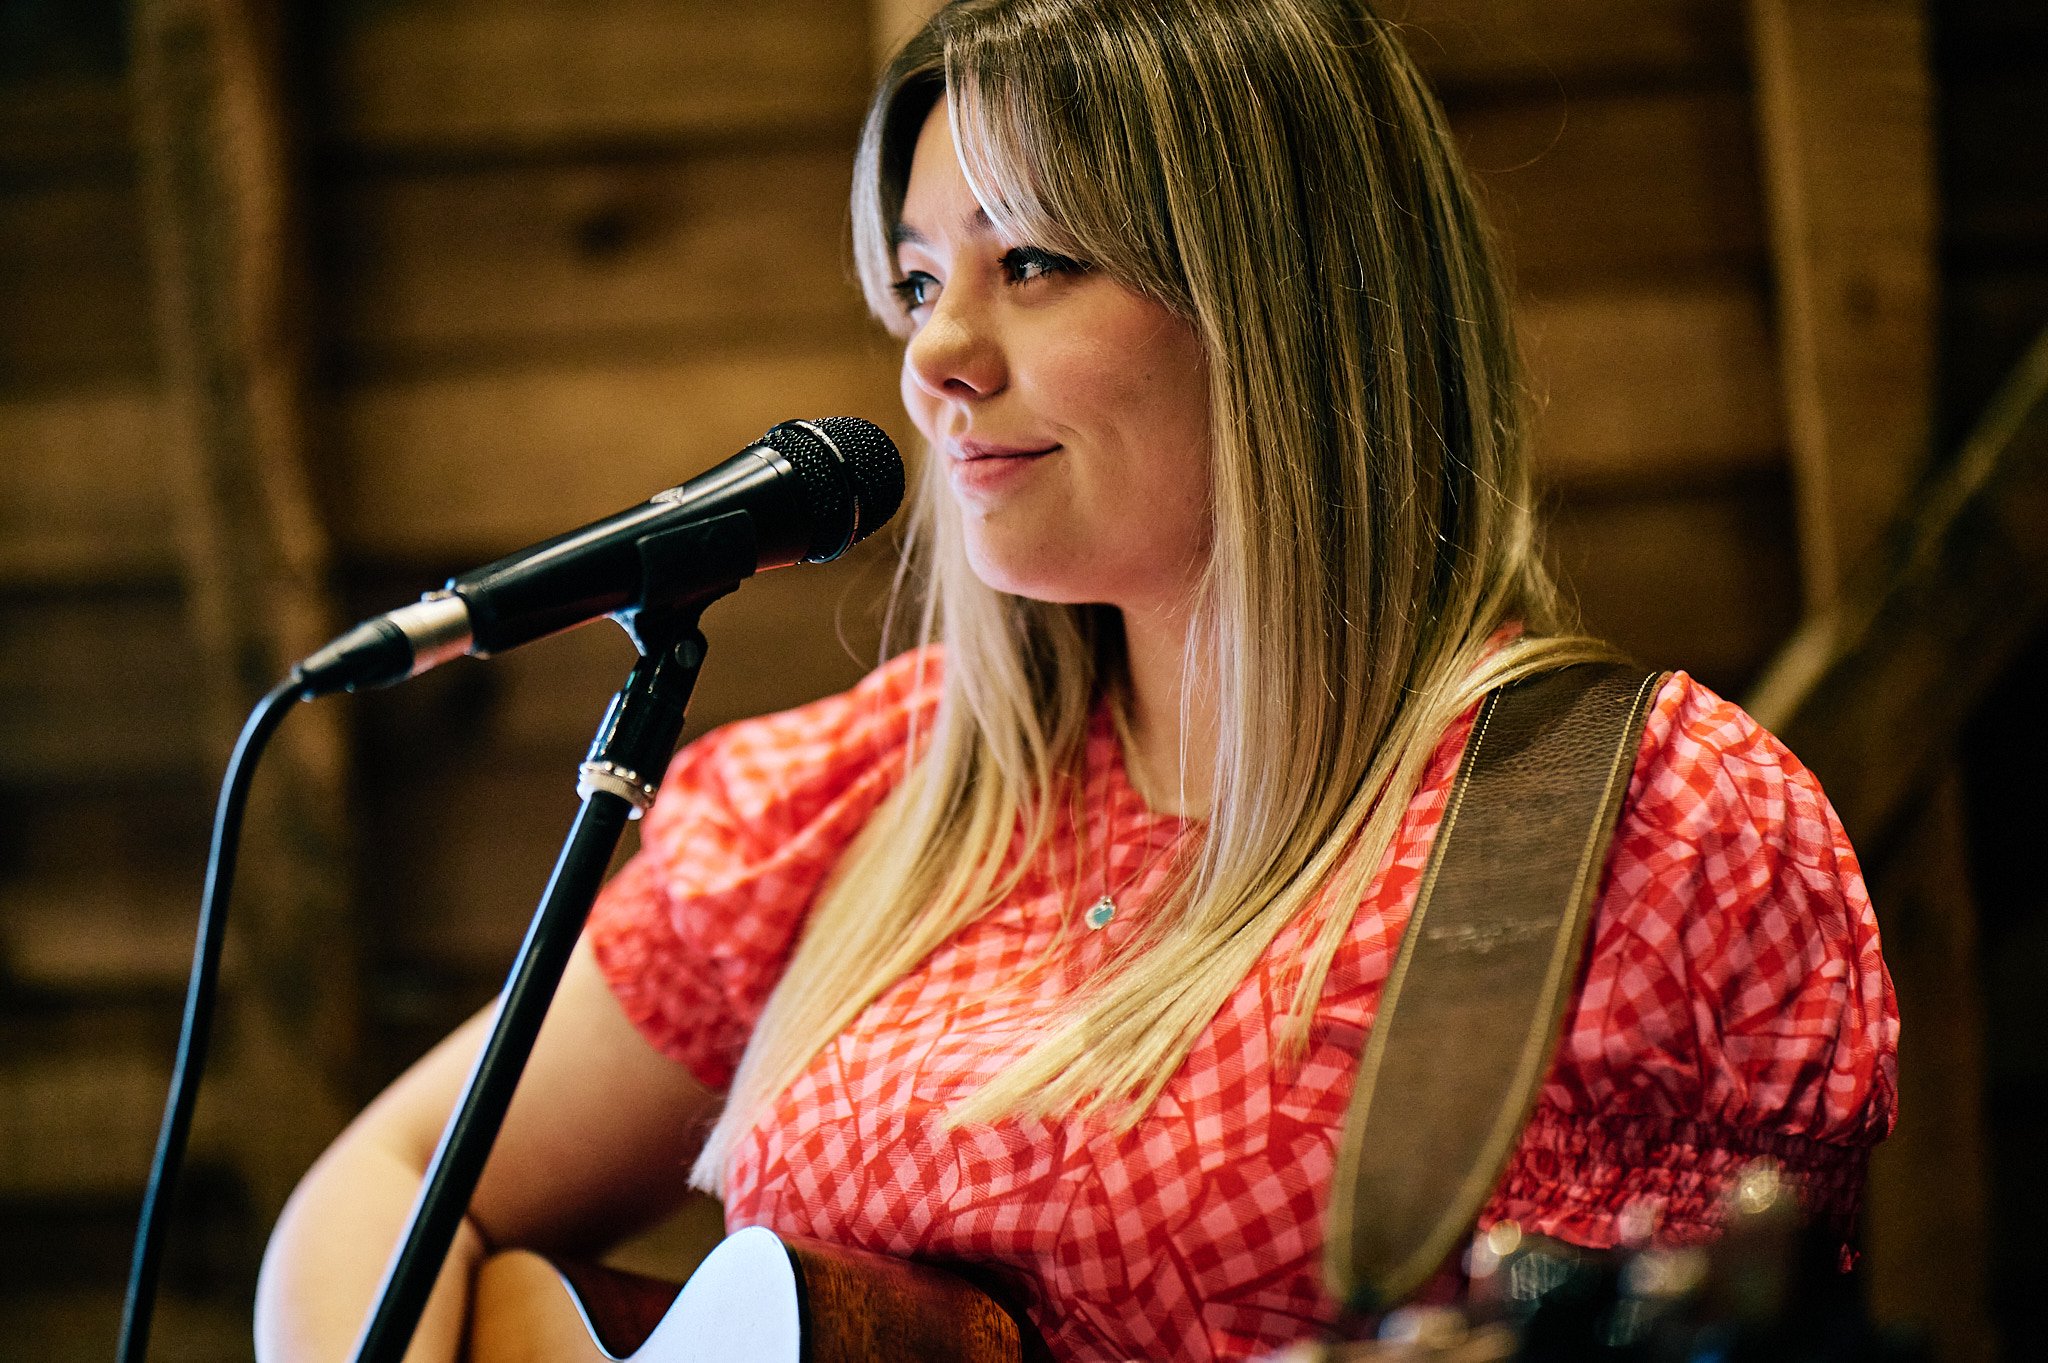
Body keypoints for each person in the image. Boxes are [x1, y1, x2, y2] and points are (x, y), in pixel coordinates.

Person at [254, 2, 1898, 1359]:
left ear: (1289, 300)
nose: (933, 353)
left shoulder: (1661, 830)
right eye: (914, 277)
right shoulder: (865, 801)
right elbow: (384, 1185)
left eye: (1028, 260)